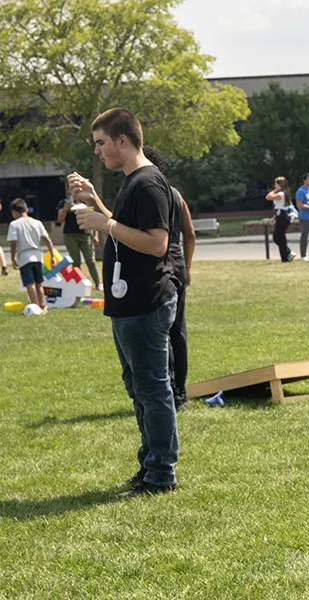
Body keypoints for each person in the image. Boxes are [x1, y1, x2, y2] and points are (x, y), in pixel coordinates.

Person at [66, 108, 185, 497]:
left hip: (145, 303)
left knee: (153, 390)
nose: (97, 151)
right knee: (140, 389)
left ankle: (161, 476)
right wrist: (95, 200)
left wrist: (106, 224)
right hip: (129, 304)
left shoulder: (149, 183)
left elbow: (156, 243)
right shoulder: (134, 181)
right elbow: (123, 227)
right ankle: (150, 467)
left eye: (101, 142)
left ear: (122, 140)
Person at [142, 148, 196, 412]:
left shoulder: (147, 193)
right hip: (178, 264)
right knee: (179, 330)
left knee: (161, 329)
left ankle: (171, 391)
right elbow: (191, 234)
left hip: (159, 267)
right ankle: (182, 392)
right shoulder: (176, 194)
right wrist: (188, 266)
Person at [8, 198, 55, 311]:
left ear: (14, 212)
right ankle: (42, 305)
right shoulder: (37, 222)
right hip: (38, 255)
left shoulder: (14, 224)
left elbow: (13, 242)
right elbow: (47, 239)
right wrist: (52, 256)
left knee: (30, 283)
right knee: (39, 283)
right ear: (26, 209)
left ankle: (34, 307)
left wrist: (13, 258)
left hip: (24, 257)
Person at [56, 195, 102, 292]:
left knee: (90, 260)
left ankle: (98, 283)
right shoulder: (64, 202)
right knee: (76, 261)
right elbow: (60, 220)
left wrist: (96, 234)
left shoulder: (86, 202)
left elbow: (93, 218)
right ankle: (78, 284)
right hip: (70, 235)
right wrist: (65, 209)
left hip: (85, 234)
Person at [267, 177, 296, 262]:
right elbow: (278, 207)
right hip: (280, 215)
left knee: (279, 237)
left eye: (276, 184)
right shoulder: (282, 194)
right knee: (277, 237)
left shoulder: (282, 194)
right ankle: (287, 252)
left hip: (283, 216)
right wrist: (274, 217)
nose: (275, 186)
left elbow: (268, 197)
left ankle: (285, 258)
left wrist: (275, 190)